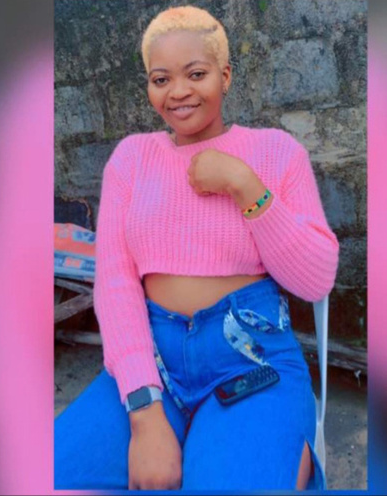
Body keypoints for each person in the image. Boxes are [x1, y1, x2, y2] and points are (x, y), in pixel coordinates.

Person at [54, 5, 339, 491]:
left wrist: (245, 186)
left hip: (250, 358)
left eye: (196, 74)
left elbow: (315, 279)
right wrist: (144, 411)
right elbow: (116, 283)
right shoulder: (131, 159)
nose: (178, 91)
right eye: (161, 79)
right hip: (150, 353)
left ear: (225, 76)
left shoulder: (277, 152)